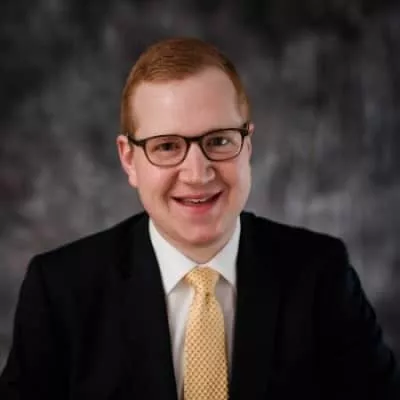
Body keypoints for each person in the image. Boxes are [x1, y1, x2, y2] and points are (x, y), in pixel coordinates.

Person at [0, 37, 399, 400]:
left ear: (247, 146)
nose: (197, 172)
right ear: (129, 159)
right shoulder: (61, 290)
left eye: (219, 141)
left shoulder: (321, 275)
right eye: (167, 146)